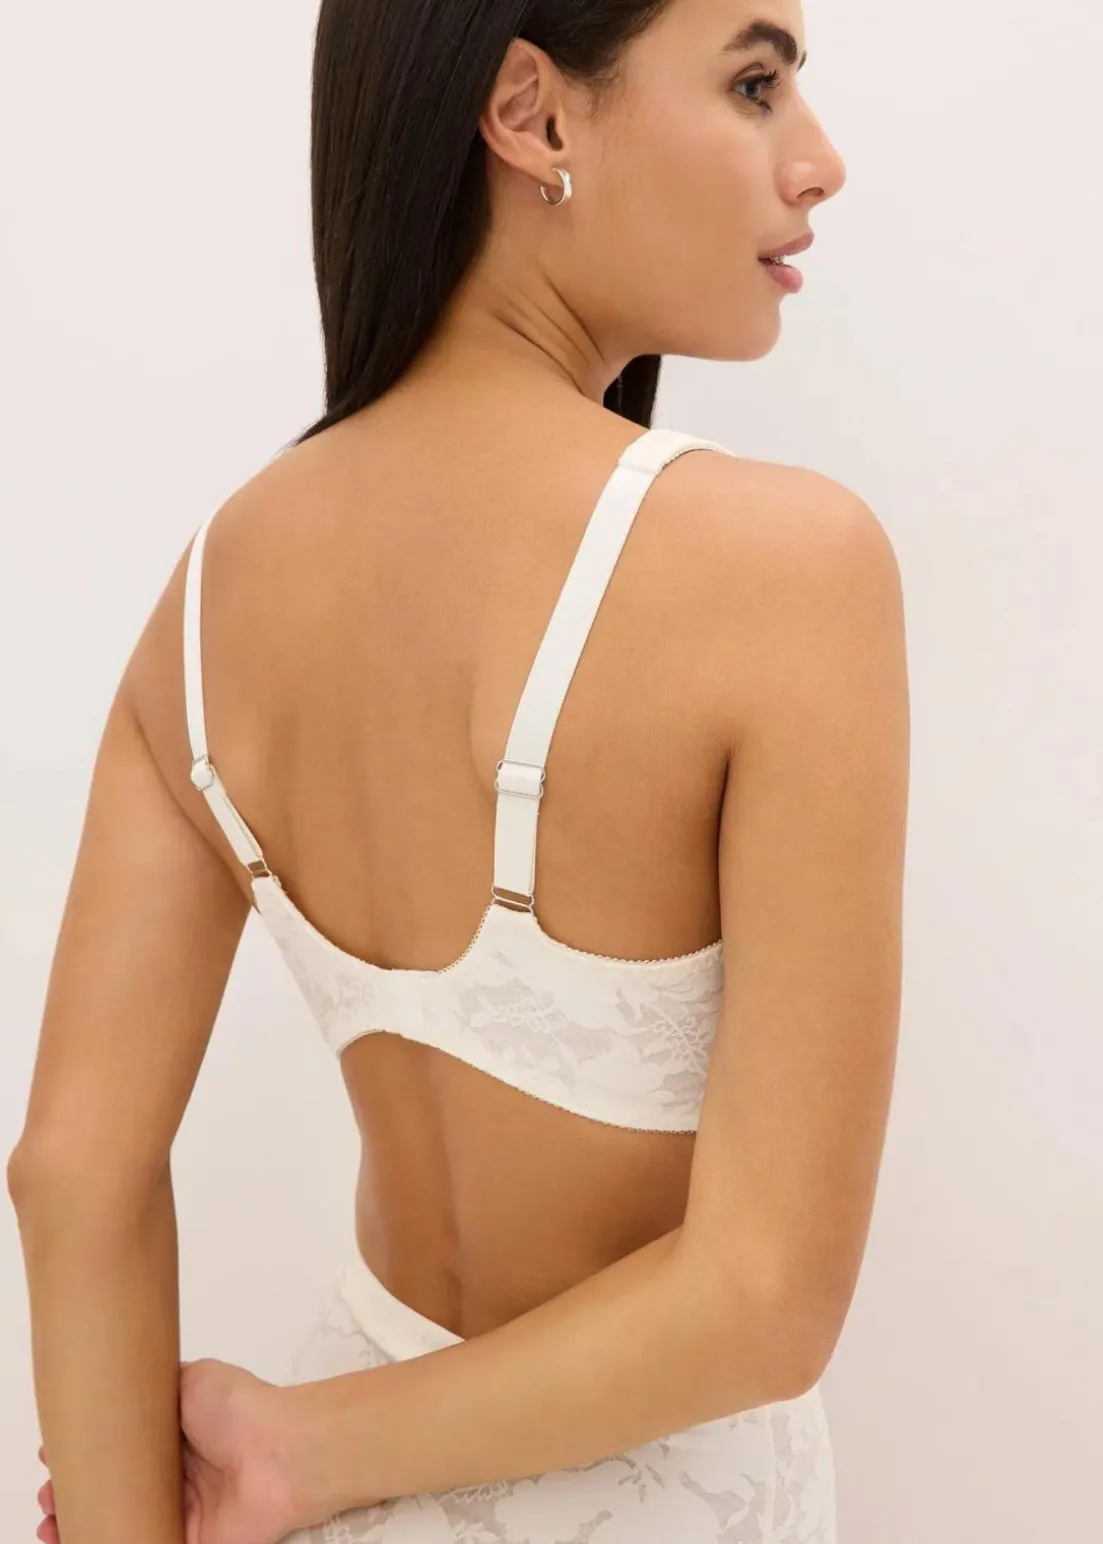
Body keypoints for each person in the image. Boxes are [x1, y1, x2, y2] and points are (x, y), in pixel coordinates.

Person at [11, 1, 910, 1541]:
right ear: (531, 114)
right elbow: (761, 1300)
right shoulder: (782, 568)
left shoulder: (215, 593)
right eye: (755, 83)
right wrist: (296, 1455)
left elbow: (74, 1175)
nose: (818, 161)